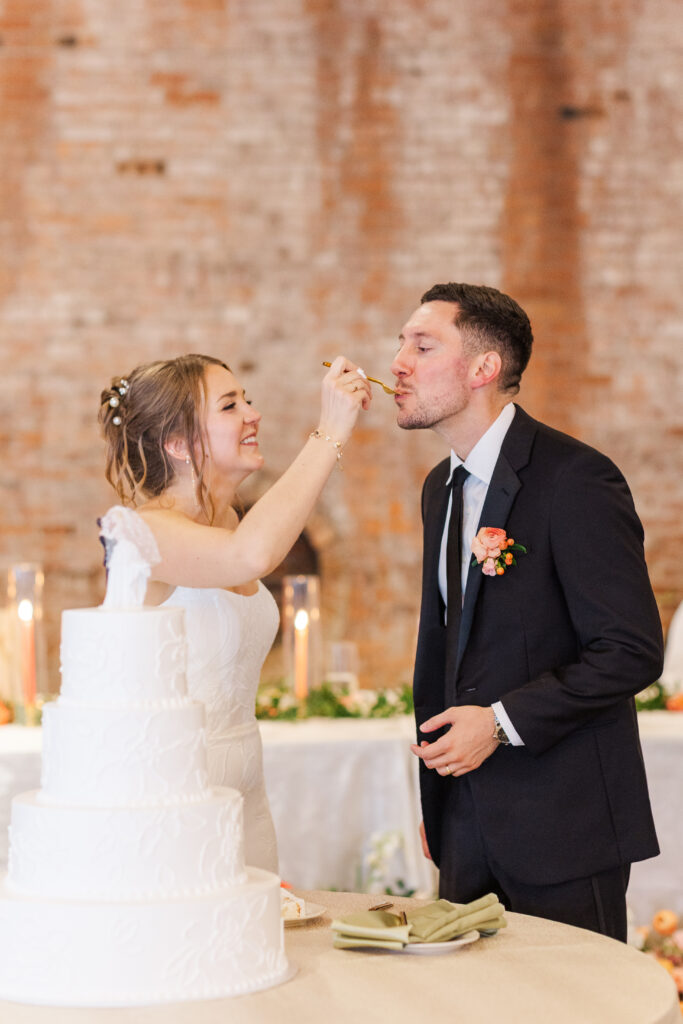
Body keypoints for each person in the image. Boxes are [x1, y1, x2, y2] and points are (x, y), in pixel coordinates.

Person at [391, 282, 663, 941]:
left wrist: (501, 723)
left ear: (483, 369)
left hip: (563, 826)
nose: (398, 361)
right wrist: (441, 802)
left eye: (422, 345)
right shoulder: (440, 488)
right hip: (464, 827)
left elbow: (629, 650)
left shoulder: (574, 479)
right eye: (399, 343)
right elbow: (450, 653)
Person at [100, 353, 371, 872]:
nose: (253, 414)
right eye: (230, 405)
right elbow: (251, 557)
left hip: (247, 788)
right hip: (170, 790)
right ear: (177, 444)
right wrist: (329, 431)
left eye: (247, 399)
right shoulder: (140, 533)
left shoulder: (232, 520)